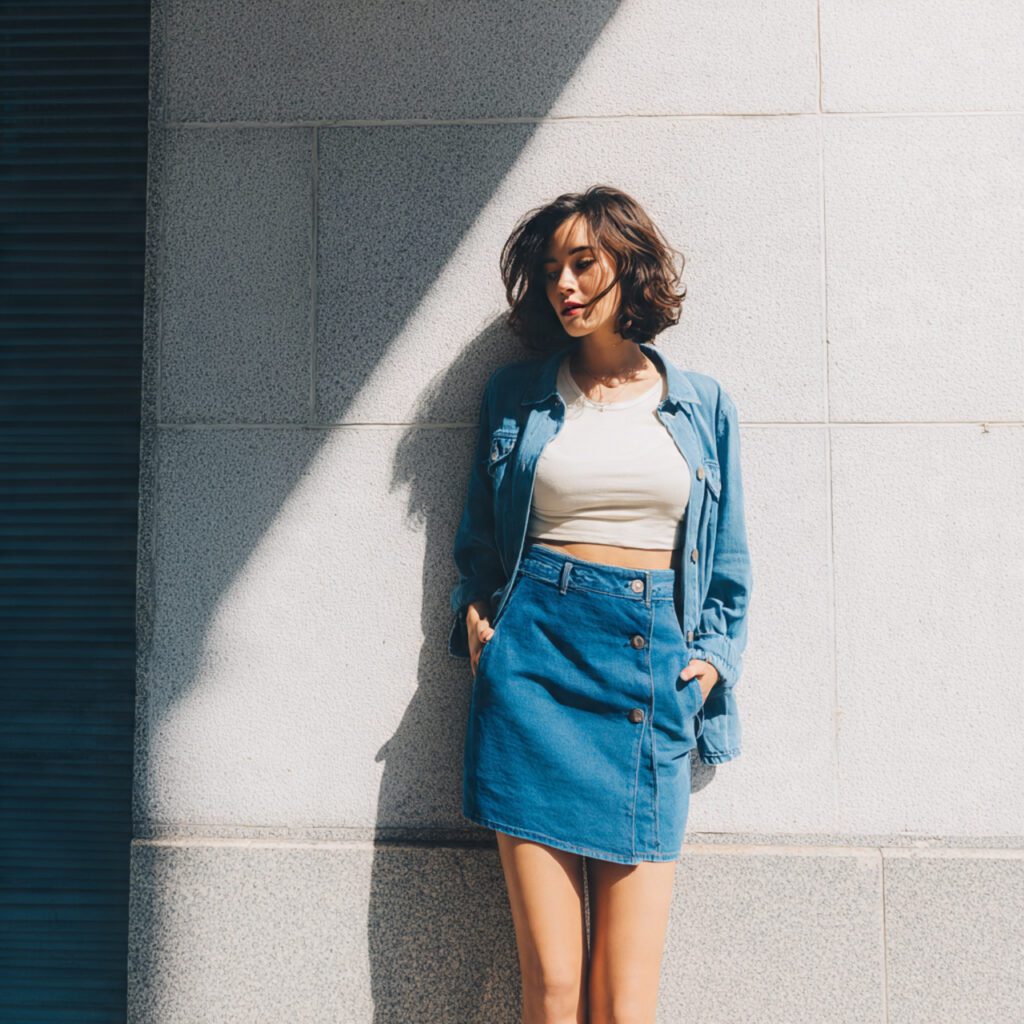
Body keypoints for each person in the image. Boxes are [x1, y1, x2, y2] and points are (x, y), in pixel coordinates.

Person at [448, 184, 753, 1024]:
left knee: (624, 999)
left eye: (583, 263)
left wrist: (710, 663)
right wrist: (476, 613)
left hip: (647, 673)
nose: (565, 286)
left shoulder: (702, 404)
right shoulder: (515, 397)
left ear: (631, 267)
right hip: (533, 669)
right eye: (551, 270)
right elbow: (480, 535)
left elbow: (726, 563)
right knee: (552, 984)